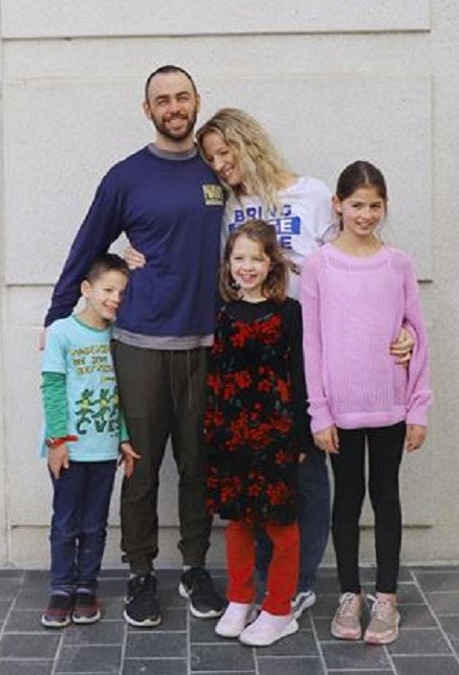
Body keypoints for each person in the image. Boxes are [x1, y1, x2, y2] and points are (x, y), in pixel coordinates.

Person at [124, 107, 414, 619]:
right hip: (250, 355)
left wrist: (404, 329)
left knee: (306, 469)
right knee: (256, 474)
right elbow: (202, 263)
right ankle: (264, 586)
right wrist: (136, 257)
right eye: (210, 157)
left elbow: (356, 265)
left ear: (247, 142)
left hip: (309, 347)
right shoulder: (225, 208)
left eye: (224, 151)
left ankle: (300, 583)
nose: (219, 163)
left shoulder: (312, 194)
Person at [42, 65, 227, 628]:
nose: (174, 107)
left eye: (183, 97)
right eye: (162, 100)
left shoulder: (219, 168)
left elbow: (264, 232)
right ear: (148, 110)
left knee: (198, 468)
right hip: (140, 344)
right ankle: (141, 574)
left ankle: (195, 566)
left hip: (206, 344)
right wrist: (57, 317)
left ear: (197, 102)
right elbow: (89, 247)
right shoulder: (125, 177)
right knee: (141, 469)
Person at [300, 160, 432, 645]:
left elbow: (416, 332)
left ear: (385, 207)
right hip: (342, 411)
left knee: (386, 496)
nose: (366, 214)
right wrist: (320, 412)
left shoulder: (397, 263)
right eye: (356, 204)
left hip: (391, 407)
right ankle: (349, 593)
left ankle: (387, 597)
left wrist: (418, 408)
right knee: (347, 499)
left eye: (375, 205)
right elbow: (312, 344)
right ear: (337, 205)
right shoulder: (320, 265)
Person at [206, 220, 309, 647]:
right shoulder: (220, 310)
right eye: (239, 258)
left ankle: (280, 608)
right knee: (238, 522)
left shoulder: (288, 312)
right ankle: (240, 598)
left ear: (272, 264)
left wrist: (301, 432)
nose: (247, 266)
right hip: (229, 432)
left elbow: (299, 372)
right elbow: (213, 374)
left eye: (256, 258)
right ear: (229, 264)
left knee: (280, 523)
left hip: (275, 430)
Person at [39, 254, 141, 628]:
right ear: (87, 289)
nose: (115, 298)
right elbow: (51, 387)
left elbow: (124, 394)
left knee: (95, 524)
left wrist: (125, 438)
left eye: (122, 292)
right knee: (66, 521)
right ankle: (62, 587)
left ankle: (86, 587)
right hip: (69, 448)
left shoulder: (119, 337)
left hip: (104, 448)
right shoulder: (62, 332)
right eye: (108, 290)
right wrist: (57, 441)